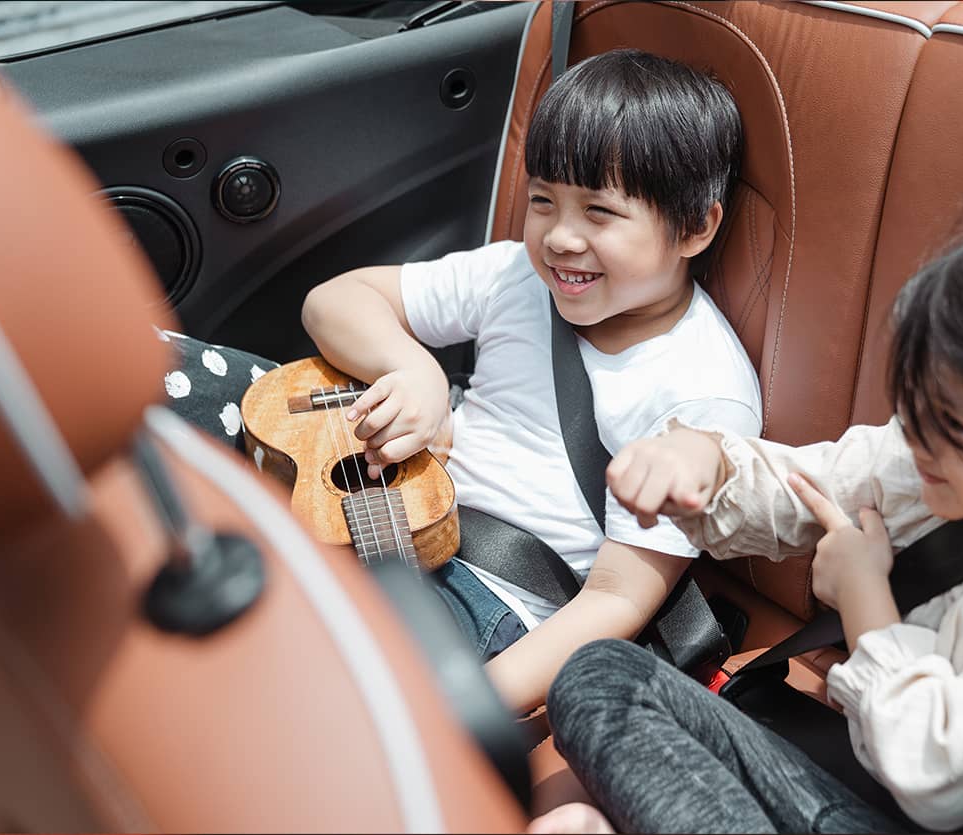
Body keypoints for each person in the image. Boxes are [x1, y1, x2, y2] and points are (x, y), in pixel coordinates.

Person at [531, 201, 963, 834]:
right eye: (914, 400)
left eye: (954, 425)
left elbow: (938, 776)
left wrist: (865, 597)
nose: (915, 435)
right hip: (860, 775)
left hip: (939, 804)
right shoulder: (922, 454)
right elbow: (804, 484)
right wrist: (705, 464)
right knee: (598, 675)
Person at [296, 47, 760, 715]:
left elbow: (616, 597)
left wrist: (465, 709)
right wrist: (414, 369)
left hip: (491, 598)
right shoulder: (516, 275)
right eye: (543, 200)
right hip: (395, 515)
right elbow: (332, 301)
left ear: (693, 227)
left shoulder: (702, 394)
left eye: (599, 212)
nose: (560, 239)